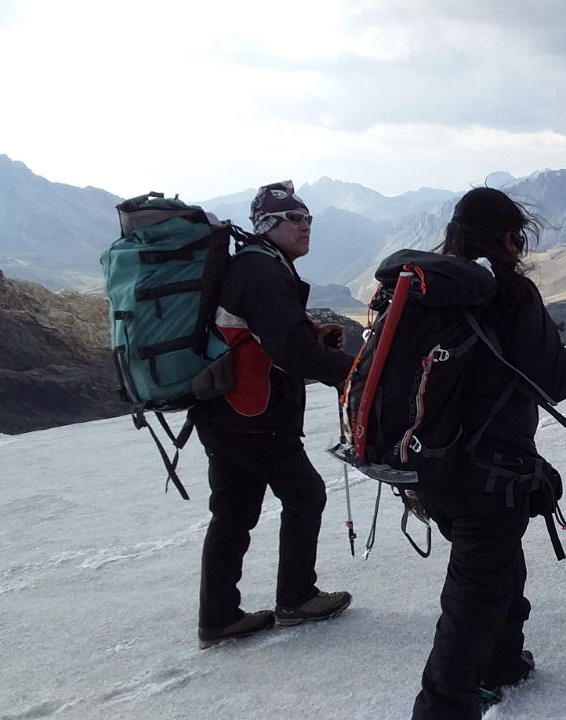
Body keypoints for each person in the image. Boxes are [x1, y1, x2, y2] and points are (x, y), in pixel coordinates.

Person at [410, 187, 566, 720]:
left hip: (429, 465)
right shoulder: (507, 294)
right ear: (508, 237)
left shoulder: (425, 289)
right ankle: (445, 707)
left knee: (498, 561)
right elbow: (558, 379)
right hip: (489, 473)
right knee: (470, 602)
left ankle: (501, 661)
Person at [192, 180, 357, 649]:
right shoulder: (264, 273)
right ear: (268, 225)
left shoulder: (256, 266)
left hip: (224, 408)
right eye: (295, 219)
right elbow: (291, 350)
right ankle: (297, 598)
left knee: (233, 511)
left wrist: (313, 333)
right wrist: (358, 373)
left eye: (308, 218)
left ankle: (219, 617)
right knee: (305, 493)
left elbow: (268, 333)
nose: (306, 226)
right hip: (255, 413)